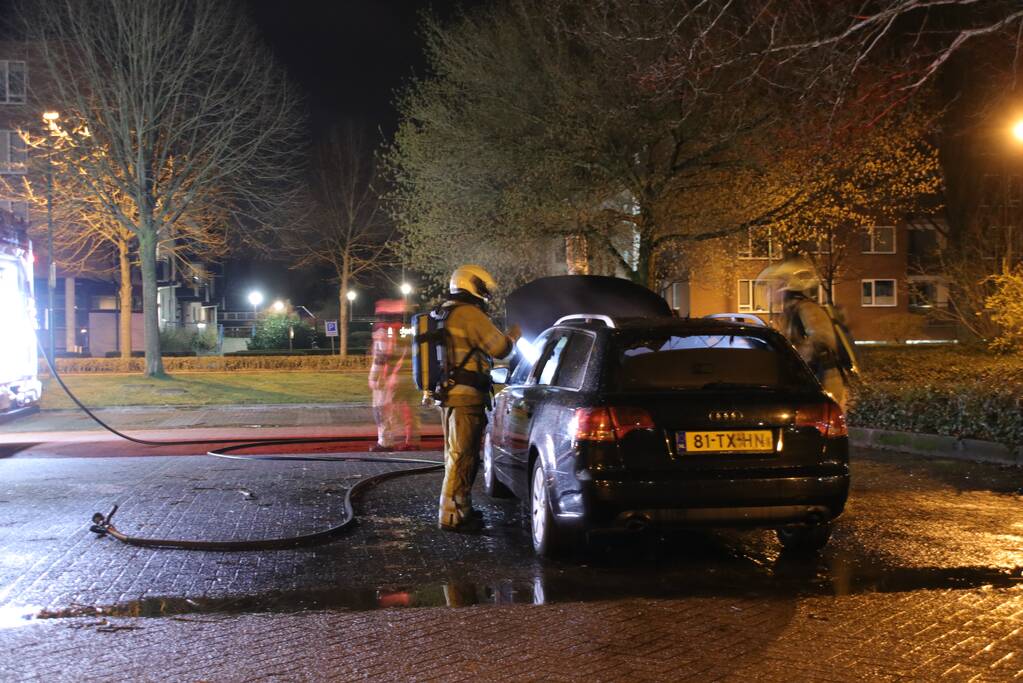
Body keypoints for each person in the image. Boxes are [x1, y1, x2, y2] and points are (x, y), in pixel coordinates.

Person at [437, 264, 520, 532]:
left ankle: (461, 509)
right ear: (472, 285)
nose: (486, 295)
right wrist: (514, 335)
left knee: (456, 455)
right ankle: (453, 517)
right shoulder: (469, 314)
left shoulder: (445, 312)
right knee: (463, 456)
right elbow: (499, 348)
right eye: (483, 289)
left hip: (449, 394)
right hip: (466, 397)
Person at [777, 270, 848, 411]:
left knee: (825, 418)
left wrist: (798, 359)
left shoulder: (807, 308)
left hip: (824, 376)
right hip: (809, 376)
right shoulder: (790, 313)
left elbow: (821, 339)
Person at [368, 300, 420, 452]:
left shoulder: (384, 331)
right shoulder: (408, 330)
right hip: (411, 377)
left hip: (390, 379)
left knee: (382, 409)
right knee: (410, 410)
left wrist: (373, 377)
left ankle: (385, 442)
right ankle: (412, 441)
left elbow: (381, 357)